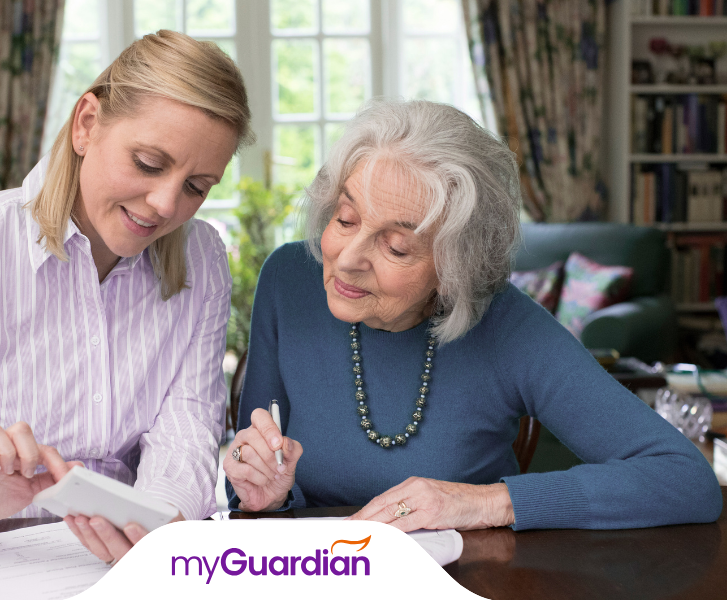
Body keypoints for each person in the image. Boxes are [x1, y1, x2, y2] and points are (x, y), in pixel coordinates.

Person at [0, 30, 252, 564]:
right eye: (149, 163)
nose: (165, 205)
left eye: (197, 186)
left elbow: (186, 433)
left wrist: (156, 524)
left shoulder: (202, 259)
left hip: (121, 572)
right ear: (86, 124)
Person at [225, 99, 722, 531]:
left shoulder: (509, 327)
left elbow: (684, 479)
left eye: (397, 247)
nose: (348, 258)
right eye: (345, 218)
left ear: (455, 268)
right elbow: (252, 492)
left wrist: (483, 502)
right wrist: (264, 496)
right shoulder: (290, 279)